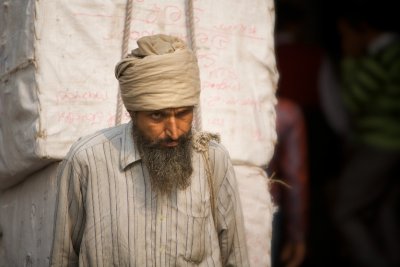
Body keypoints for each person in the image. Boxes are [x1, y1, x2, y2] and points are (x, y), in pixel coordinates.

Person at [49, 34, 250, 266]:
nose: (174, 131)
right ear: (133, 112)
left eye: (184, 113)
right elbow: (63, 258)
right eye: (157, 115)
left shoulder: (212, 159)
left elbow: (236, 257)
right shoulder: (87, 161)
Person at [332, 1, 400, 266]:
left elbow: (351, 100)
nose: (343, 40)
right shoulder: (388, 54)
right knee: (384, 211)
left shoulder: (383, 56)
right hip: (388, 144)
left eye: (345, 34)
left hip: (381, 145)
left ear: (361, 29)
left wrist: (350, 58)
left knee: (344, 212)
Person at [267, 97, 308, 267]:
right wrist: (297, 235)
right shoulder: (284, 113)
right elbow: (294, 178)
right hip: (265, 211)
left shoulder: (200, 107)